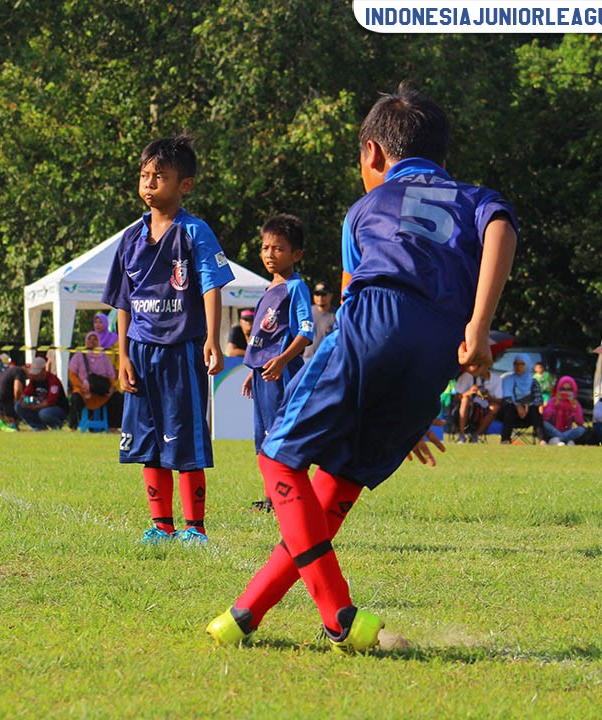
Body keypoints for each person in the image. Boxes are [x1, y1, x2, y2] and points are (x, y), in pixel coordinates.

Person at [206, 85, 517, 652]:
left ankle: (340, 619)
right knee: (330, 491)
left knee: (277, 456)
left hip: (373, 321)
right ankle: (245, 613)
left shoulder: (363, 210)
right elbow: (501, 228)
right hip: (436, 351)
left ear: (373, 154)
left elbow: (354, 301)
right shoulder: (473, 197)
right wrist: (476, 329)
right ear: (442, 156)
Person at [101, 134, 235, 545]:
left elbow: (212, 284)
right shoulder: (130, 238)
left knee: (187, 439)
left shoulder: (194, 232)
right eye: (144, 175)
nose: (149, 183)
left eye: (160, 176)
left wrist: (211, 338)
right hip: (140, 351)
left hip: (181, 349)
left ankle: (195, 528)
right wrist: (123, 355)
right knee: (146, 440)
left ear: (185, 185)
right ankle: (161, 525)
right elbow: (123, 300)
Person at [241, 213, 314, 454]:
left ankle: (284, 492)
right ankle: (271, 492)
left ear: (296, 255)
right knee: (263, 438)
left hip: (282, 373)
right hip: (264, 374)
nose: (269, 254)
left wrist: (282, 361)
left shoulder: (296, 288)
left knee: (281, 438)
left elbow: (306, 331)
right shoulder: (269, 288)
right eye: (265, 247)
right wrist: (255, 369)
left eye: (278, 249)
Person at [68, 330, 122, 429]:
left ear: (99, 342)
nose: (92, 342)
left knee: (118, 399)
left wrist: (111, 388)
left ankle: (113, 427)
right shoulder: (79, 356)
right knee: (75, 398)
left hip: (101, 391)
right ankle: (72, 426)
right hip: (82, 389)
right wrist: (81, 386)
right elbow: (72, 375)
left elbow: (111, 375)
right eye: (89, 339)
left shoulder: (104, 357)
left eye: (95, 339)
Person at [499, 354, 546, 444]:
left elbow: (538, 400)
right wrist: (517, 406)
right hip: (511, 413)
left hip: (528, 414)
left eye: (522, 364)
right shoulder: (508, 379)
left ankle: (542, 440)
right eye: (516, 364)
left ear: (527, 365)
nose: (518, 367)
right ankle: (505, 440)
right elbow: (506, 398)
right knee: (509, 409)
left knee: (535, 412)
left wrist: (526, 406)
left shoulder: (533, 381)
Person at [14, 357, 68, 430]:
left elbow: (51, 401)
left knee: (44, 413)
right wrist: (24, 401)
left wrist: (35, 407)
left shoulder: (53, 381)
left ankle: (57, 425)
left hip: (57, 408)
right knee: (18, 406)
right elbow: (26, 393)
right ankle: (38, 426)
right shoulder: (34, 381)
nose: (35, 376)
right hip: (41, 406)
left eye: (37, 374)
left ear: (43, 370)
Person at [453, 367, 502, 443]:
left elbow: (500, 401)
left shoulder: (496, 379)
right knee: (465, 400)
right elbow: (456, 398)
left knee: (494, 408)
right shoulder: (467, 376)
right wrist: (469, 392)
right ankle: (462, 434)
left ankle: (476, 435)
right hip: (468, 410)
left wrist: (487, 396)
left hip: (483, 410)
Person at [541, 375, 587, 445]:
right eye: (563, 389)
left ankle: (560, 439)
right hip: (553, 430)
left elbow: (580, 422)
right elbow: (545, 417)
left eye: (569, 389)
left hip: (567, 431)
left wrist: (574, 408)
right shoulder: (553, 400)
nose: (566, 392)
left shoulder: (575, 403)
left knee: (582, 428)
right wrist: (554, 405)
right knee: (544, 424)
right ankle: (564, 439)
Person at [0, 360, 24, 431]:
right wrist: (17, 400)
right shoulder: (19, 371)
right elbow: (17, 388)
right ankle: (12, 425)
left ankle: (4, 424)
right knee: (19, 409)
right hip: (0, 403)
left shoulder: (5, 372)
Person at [303, 282, 336, 360]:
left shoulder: (336, 315)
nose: (320, 297)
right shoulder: (307, 313)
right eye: (317, 294)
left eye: (323, 294)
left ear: (330, 295)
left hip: (327, 360)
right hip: (307, 359)